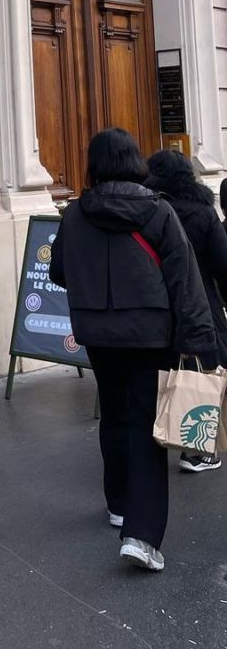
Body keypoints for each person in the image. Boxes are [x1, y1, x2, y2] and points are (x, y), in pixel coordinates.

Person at [50, 128, 216, 573]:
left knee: (115, 415)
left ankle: (118, 503)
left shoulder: (74, 214)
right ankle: (142, 535)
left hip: (98, 332)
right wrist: (201, 341)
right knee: (145, 425)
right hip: (148, 333)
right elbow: (185, 280)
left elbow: (60, 271)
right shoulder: (157, 210)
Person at [146, 149, 227, 473]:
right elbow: (223, 265)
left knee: (164, 374)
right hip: (201, 304)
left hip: (158, 306)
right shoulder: (203, 213)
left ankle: (160, 435)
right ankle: (196, 450)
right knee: (202, 374)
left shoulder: (149, 212)